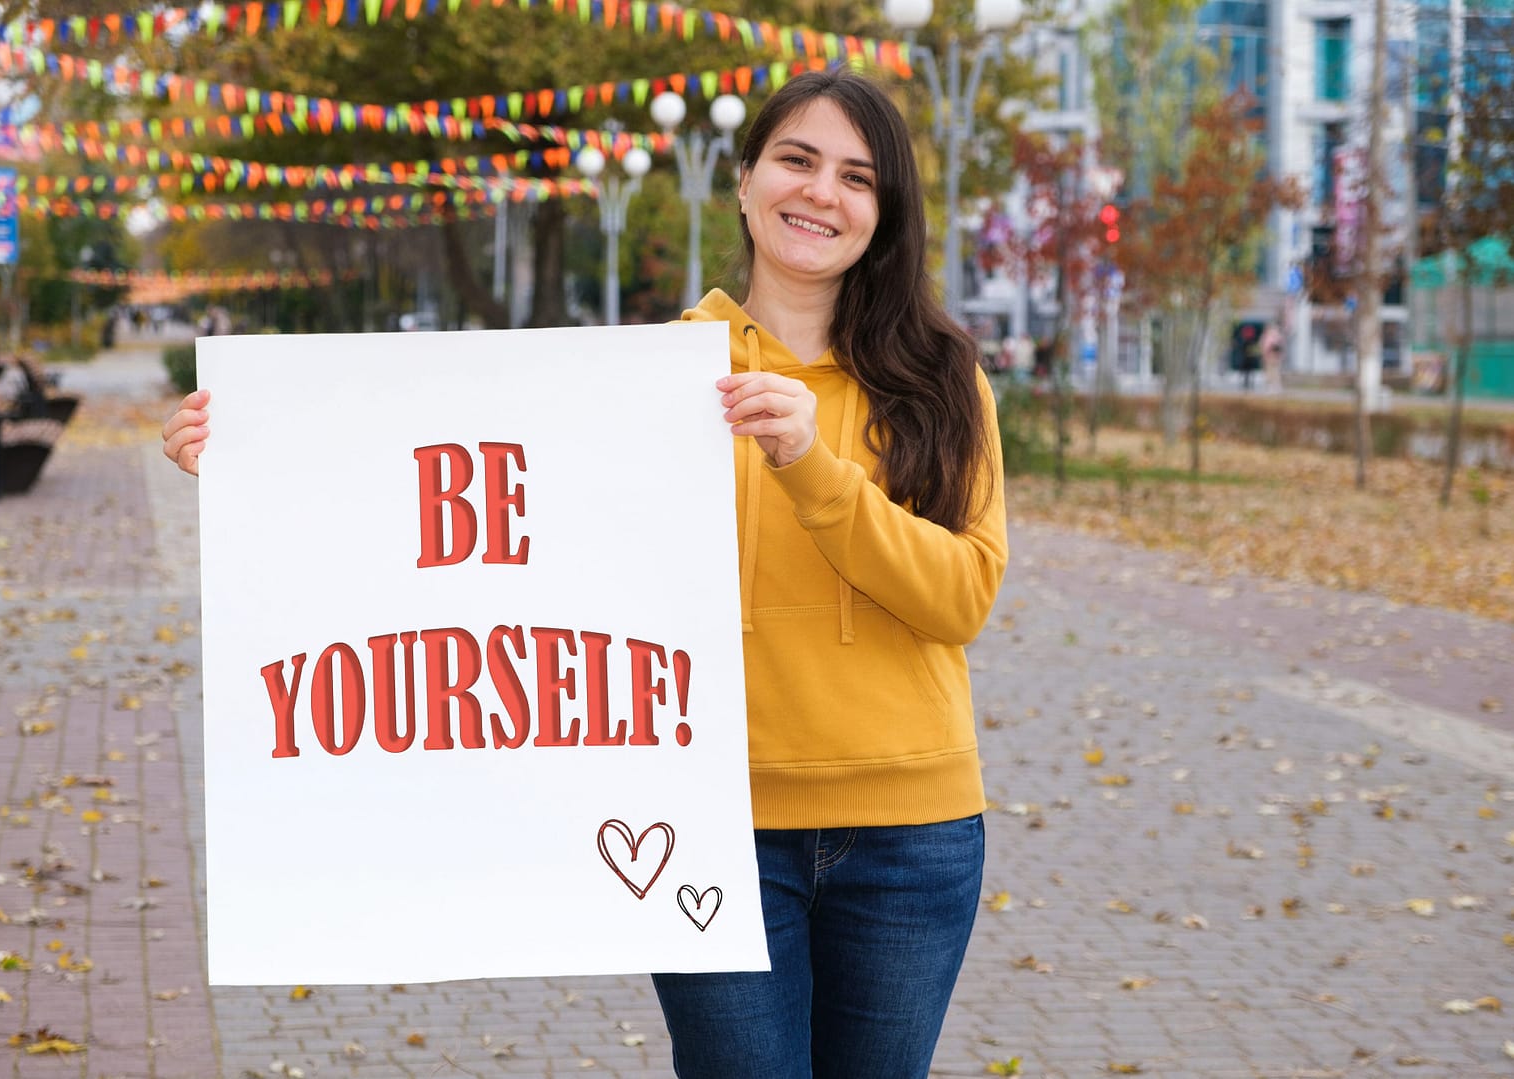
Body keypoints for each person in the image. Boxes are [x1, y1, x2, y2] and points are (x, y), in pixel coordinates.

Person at [161, 66, 1007, 1079]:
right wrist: (261, 458)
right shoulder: (643, 378)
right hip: (701, 825)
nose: (820, 192)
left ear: (885, 211)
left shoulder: (941, 381)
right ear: (742, 181)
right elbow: (476, 527)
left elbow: (957, 597)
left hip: (912, 835)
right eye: (795, 159)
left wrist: (812, 469)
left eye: (855, 176)